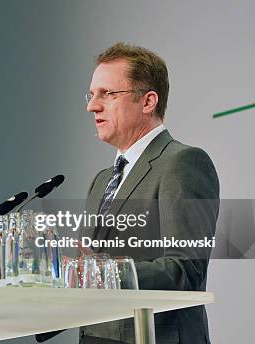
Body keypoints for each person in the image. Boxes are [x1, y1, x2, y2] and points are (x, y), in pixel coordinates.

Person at [50, 42, 219, 344]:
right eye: (91, 95)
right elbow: (90, 274)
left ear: (148, 101)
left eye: (108, 94)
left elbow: (186, 268)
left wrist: (107, 273)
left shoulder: (182, 163)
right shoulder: (102, 181)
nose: (92, 106)